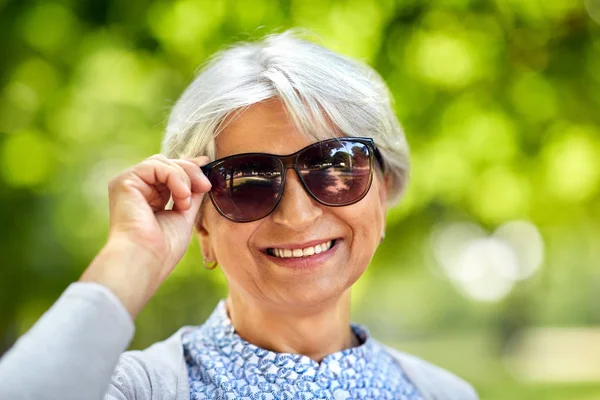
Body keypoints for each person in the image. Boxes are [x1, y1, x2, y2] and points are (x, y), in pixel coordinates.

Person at [0, 31, 478, 400]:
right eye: (248, 181)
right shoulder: (136, 389)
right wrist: (131, 255)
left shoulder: (444, 394)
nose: (296, 215)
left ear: (384, 190)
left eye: (335, 166)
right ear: (201, 222)